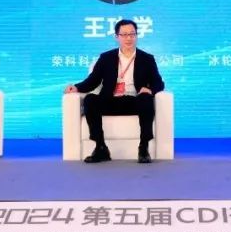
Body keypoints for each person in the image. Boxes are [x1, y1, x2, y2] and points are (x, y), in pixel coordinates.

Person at [65, 19, 163, 163]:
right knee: (90, 100)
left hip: (134, 101)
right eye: (124, 34)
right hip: (110, 100)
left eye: (132, 34)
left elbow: (158, 82)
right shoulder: (106, 57)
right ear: (117, 37)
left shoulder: (147, 59)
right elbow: (93, 80)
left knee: (146, 99)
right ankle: (100, 148)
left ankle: (143, 148)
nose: (128, 38)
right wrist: (77, 87)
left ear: (136, 35)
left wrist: (150, 89)